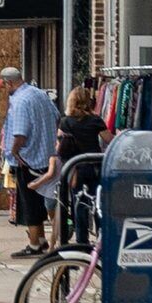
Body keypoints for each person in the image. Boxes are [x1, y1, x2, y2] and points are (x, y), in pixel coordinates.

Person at [0, 66, 59, 258]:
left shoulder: (20, 101)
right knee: (39, 202)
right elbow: (57, 116)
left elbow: (20, 134)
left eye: (4, 85)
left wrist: (14, 151)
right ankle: (41, 239)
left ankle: (34, 244)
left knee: (30, 203)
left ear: (9, 83)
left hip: (27, 159)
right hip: (46, 156)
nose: (4, 89)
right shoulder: (39, 94)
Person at [51, 83, 108, 250]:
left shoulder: (65, 122)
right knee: (98, 203)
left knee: (79, 203)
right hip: (96, 166)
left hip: (75, 167)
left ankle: (82, 242)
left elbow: (59, 145)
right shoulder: (95, 120)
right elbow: (109, 139)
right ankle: (101, 240)